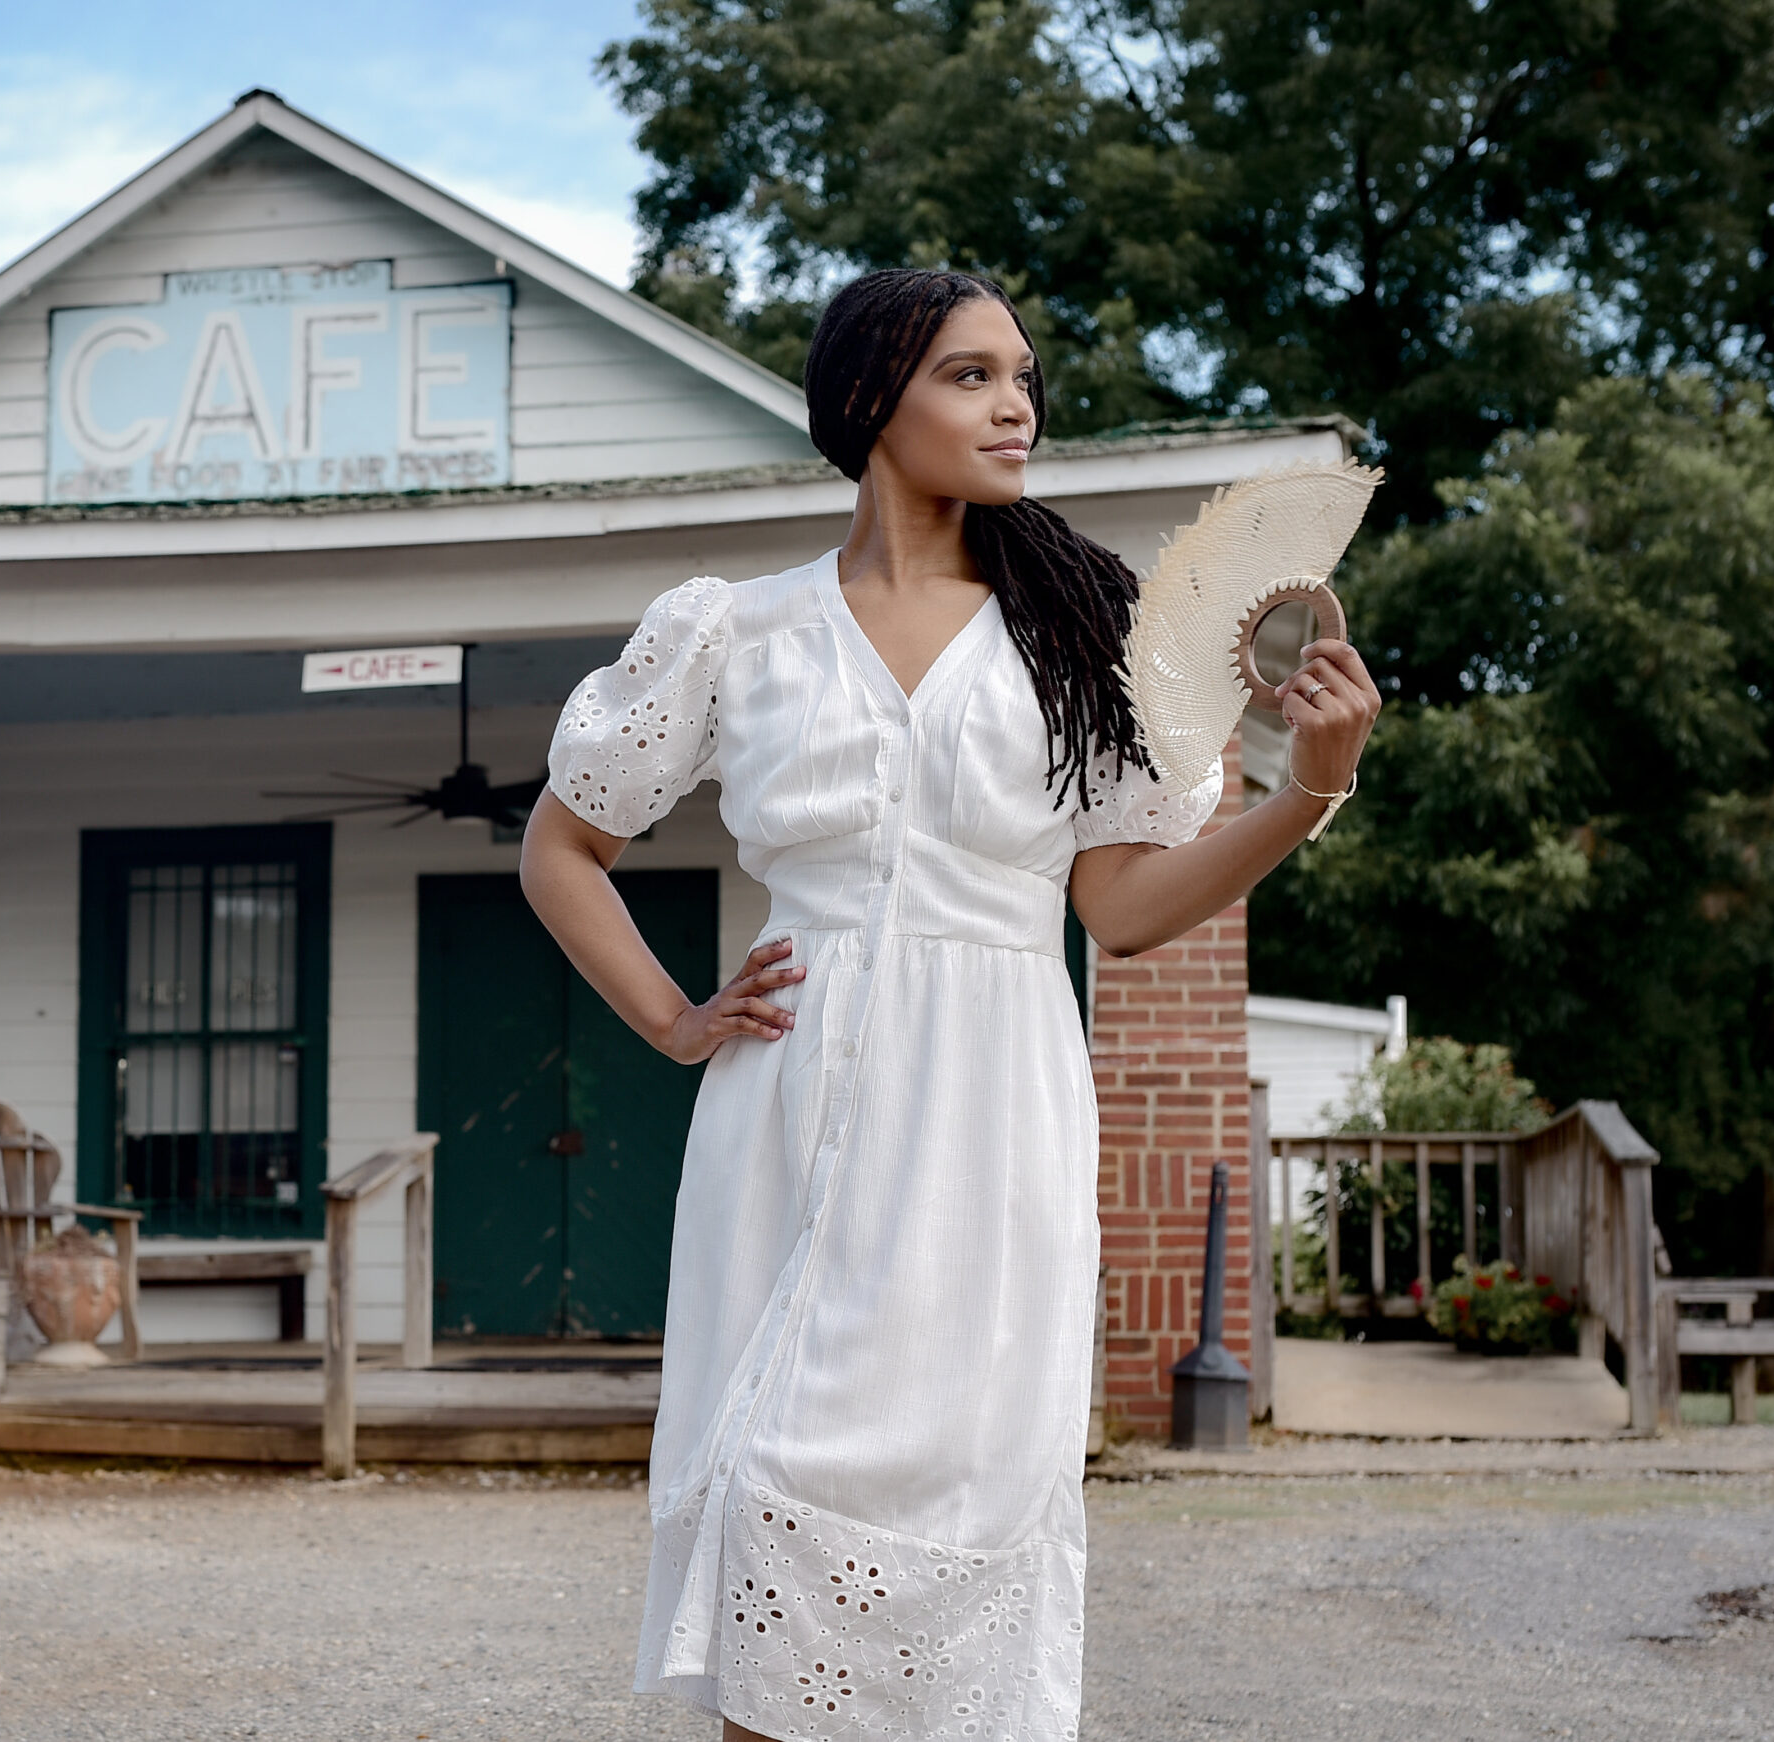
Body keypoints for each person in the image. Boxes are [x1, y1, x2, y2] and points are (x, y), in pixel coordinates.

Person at [519, 268, 1379, 1741]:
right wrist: (673, 1020)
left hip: (994, 1122)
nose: (1017, 404)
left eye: (1024, 377)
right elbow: (562, 844)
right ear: (868, 401)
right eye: (971, 375)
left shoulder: (1079, 636)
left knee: (969, 1502)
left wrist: (1310, 793)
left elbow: (1119, 906)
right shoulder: (742, 631)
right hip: (785, 1121)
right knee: (779, 1497)